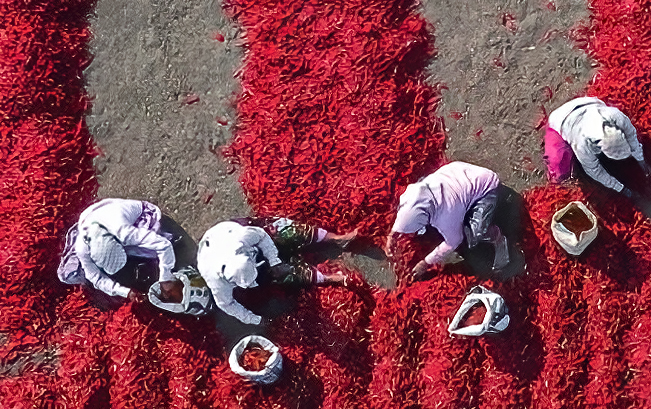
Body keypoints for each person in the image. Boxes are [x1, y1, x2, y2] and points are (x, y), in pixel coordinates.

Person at [193, 217, 351, 326]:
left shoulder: (240, 238)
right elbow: (227, 305)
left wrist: (274, 261)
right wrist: (256, 320)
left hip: (228, 231)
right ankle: (327, 277)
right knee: (282, 278)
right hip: (210, 252)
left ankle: (337, 239)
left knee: (285, 232)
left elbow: (262, 236)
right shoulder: (216, 282)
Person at [389, 162, 515, 277]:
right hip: (457, 173)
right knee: (443, 225)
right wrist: (392, 236)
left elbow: (454, 241)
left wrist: (425, 263)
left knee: (474, 236)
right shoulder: (410, 196)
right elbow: (404, 215)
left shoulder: (445, 216)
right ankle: (464, 208)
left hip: (487, 186)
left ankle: (499, 240)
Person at [56, 196, 177, 300]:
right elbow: (94, 278)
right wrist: (125, 292)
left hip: (137, 212)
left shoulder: (123, 231)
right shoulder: (81, 249)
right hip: (91, 219)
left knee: (149, 252)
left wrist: (165, 278)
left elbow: (163, 245)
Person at [543, 95, 646, 198]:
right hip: (560, 121)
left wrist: (641, 160)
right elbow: (596, 172)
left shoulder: (615, 116)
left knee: (640, 136)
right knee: (559, 171)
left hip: (585, 103)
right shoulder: (581, 145)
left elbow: (631, 135)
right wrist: (623, 190)